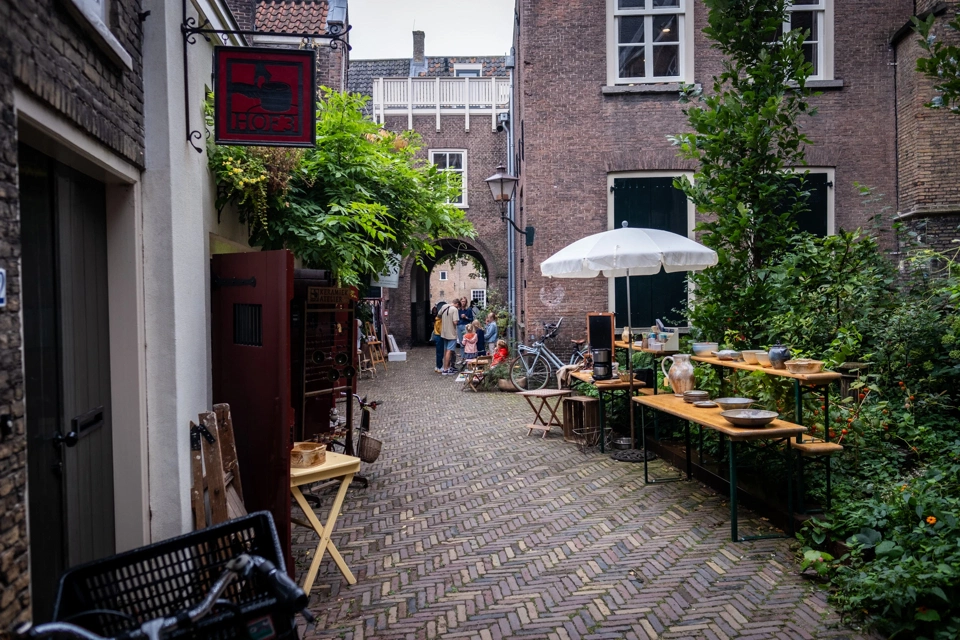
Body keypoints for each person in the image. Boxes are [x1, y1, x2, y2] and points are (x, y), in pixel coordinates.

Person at [438, 299, 460, 374]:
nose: (458, 308)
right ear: (457, 304)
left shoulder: (444, 306)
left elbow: (439, 315)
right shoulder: (455, 310)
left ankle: (446, 367)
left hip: (444, 332)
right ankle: (446, 369)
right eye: (458, 306)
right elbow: (455, 322)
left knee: (446, 350)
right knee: (449, 351)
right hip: (451, 333)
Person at [431, 301, 446, 373]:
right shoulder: (440, 320)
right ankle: (439, 367)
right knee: (440, 352)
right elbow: (440, 329)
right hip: (439, 336)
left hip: (437, 335)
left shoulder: (437, 318)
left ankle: (437, 366)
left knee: (438, 352)